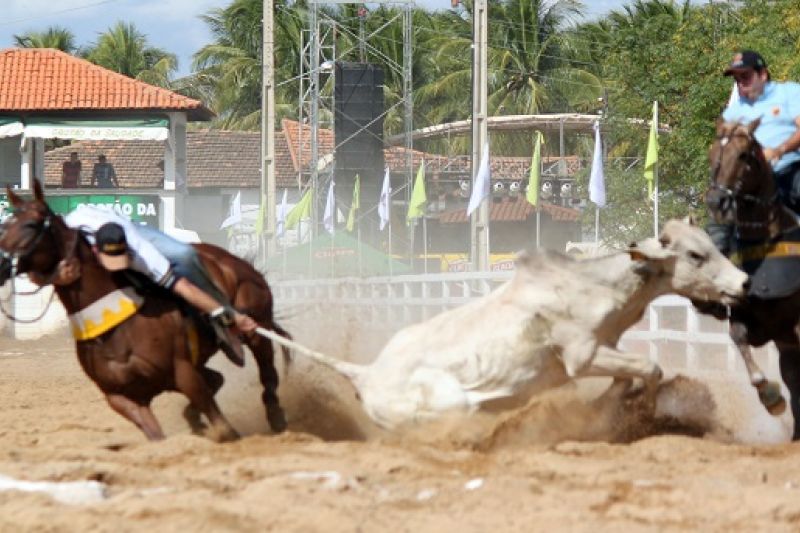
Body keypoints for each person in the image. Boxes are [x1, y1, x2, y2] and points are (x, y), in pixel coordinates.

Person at [58, 204, 256, 365]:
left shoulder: (141, 251)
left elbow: (184, 287)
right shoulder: (69, 235)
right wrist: (58, 276)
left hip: (129, 226)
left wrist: (228, 314)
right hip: (92, 228)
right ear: (94, 250)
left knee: (185, 255)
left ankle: (222, 317)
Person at [708, 50, 800, 254]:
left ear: (763, 75)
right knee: (719, 205)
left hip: (790, 168)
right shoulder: (733, 112)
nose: (741, 82)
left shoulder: (789, 93)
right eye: (737, 78)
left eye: (746, 76)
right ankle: (718, 260)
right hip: (748, 179)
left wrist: (779, 150)